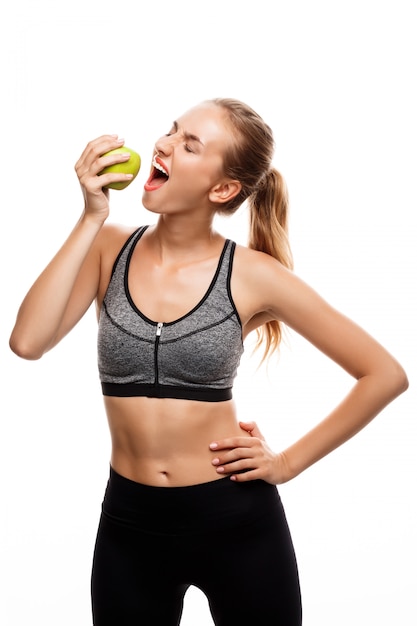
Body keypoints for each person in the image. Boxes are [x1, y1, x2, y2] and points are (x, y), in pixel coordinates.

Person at [9, 97, 408, 626]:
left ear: (222, 189)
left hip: (236, 522)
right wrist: (90, 215)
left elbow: (384, 375)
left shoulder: (253, 274)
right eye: (172, 131)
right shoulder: (108, 247)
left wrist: (286, 463)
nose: (164, 144)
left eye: (189, 144)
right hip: (130, 525)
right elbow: (28, 342)